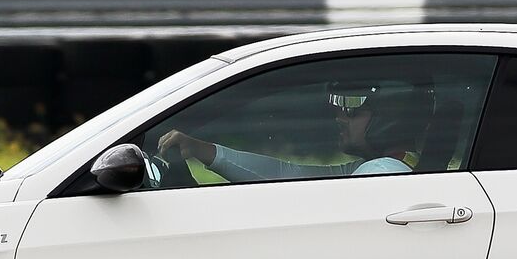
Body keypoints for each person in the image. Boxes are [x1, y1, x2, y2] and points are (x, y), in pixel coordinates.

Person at [156, 80, 436, 183]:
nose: (340, 117)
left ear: (390, 117)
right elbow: (285, 175)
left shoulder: (381, 174)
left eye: (352, 110)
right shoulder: (384, 168)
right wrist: (201, 149)